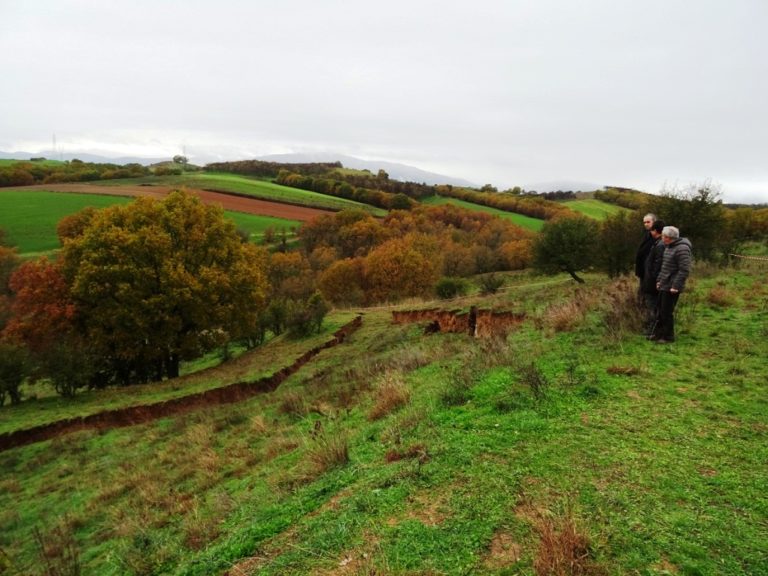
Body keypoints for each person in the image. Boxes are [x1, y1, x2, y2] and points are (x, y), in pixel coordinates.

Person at [652, 226, 692, 344]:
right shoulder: (668, 247)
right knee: (659, 310)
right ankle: (658, 334)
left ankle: (668, 337)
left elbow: (684, 269)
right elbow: (665, 267)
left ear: (669, 237)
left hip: (672, 286)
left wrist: (676, 286)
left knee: (666, 312)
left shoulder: (682, 249)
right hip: (664, 284)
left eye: (663, 236)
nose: (662, 238)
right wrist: (659, 280)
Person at [641, 219, 665, 334]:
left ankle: (653, 330)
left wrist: (653, 278)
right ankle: (653, 328)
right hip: (652, 280)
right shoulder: (659, 243)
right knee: (653, 305)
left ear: (655, 230)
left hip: (653, 282)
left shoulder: (660, 244)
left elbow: (658, 264)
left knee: (653, 306)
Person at [635, 213, 657, 295]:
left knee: (648, 295)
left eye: (648, 222)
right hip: (643, 271)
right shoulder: (647, 235)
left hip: (650, 273)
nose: (646, 224)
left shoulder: (658, 237)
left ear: (654, 222)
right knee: (642, 293)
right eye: (644, 222)